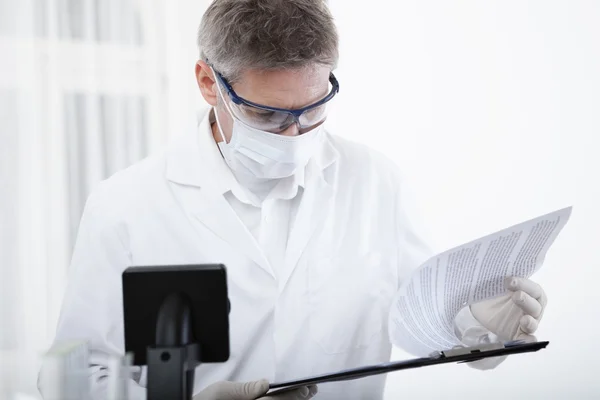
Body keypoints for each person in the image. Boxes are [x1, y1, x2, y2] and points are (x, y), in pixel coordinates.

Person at [40, 0, 548, 399]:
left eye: (314, 108)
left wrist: (481, 334)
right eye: (268, 115)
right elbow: (74, 373)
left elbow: (425, 323)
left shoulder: (376, 182)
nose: (296, 132)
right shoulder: (125, 204)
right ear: (207, 83)